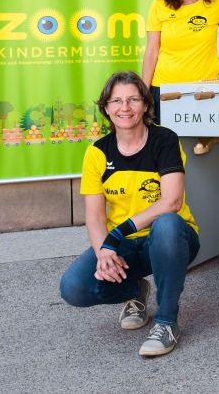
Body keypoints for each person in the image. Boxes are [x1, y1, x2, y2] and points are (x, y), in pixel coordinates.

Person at [59, 71, 200, 357]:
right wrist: (104, 253)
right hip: (124, 244)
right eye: (117, 101)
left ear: (146, 105)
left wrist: (116, 235)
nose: (125, 107)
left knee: (167, 224)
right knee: (74, 287)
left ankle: (166, 322)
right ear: (107, 108)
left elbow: (172, 202)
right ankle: (135, 290)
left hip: (171, 238)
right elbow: (95, 217)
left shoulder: (165, 140)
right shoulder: (97, 152)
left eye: (133, 99)